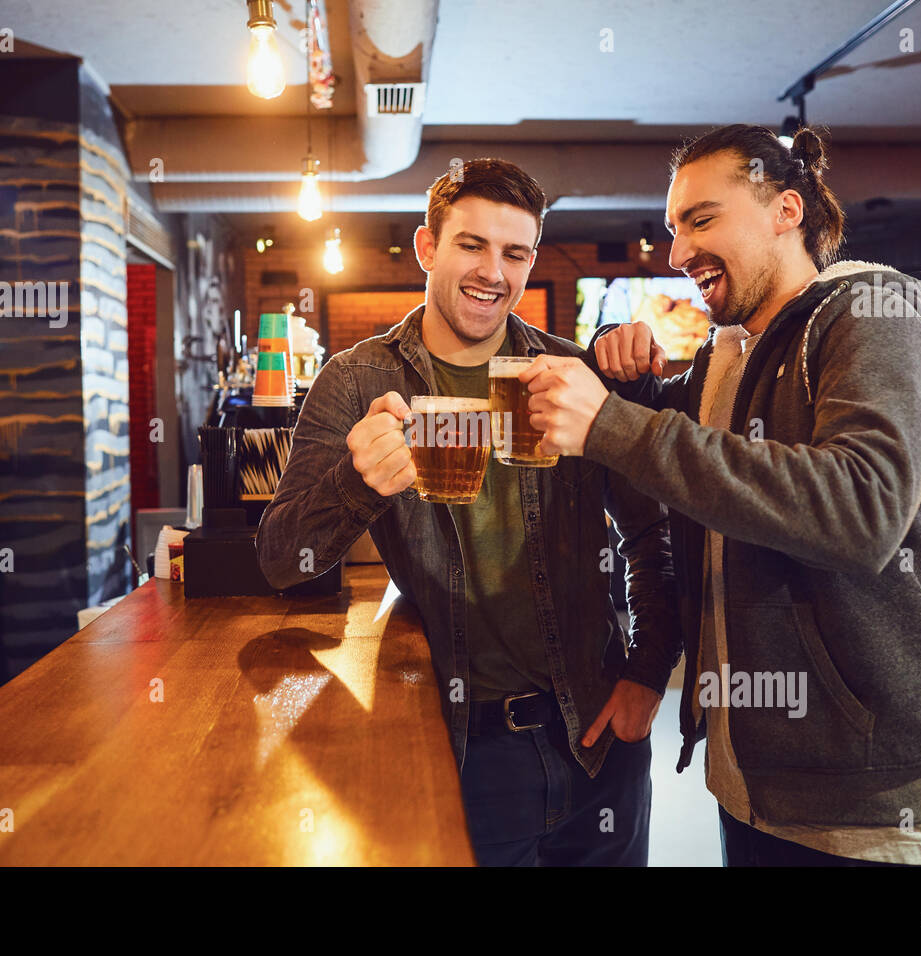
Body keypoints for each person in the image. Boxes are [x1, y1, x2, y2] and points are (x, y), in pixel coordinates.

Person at [520, 125, 921, 866]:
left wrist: (614, 423)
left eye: (702, 219)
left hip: (870, 811)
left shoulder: (870, 314)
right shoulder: (725, 353)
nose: (677, 253)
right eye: (673, 230)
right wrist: (620, 357)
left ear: (786, 211)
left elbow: (861, 510)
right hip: (749, 790)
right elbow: (697, 468)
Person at [256, 158, 681, 866]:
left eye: (514, 253)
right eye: (471, 245)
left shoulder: (568, 373)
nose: (493, 271)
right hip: (468, 752)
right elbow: (279, 559)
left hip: (599, 738)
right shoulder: (358, 379)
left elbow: (649, 533)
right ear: (428, 248)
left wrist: (647, 673)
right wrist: (358, 483)